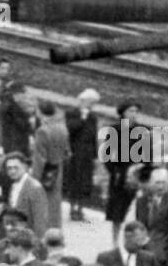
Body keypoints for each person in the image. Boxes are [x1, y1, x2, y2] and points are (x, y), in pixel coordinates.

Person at [103, 98, 141, 243]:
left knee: (134, 210)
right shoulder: (115, 130)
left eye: (136, 111)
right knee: (117, 212)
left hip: (136, 173)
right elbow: (107, 155)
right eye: (131, 110)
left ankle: (132, 239)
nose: (134, 113)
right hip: (120, 173)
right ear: (123, 112)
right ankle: (115, 241)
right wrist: (114, 171)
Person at [64, 89, 100, 222]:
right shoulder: (72, 113)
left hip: (88, 153)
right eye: (91, 102)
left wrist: (95, 156)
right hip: (75, 152)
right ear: (83, 100)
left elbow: (94, 136)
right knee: (75, 181)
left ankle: (80, 209)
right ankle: (72, 208)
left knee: (85, 182)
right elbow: (71, 129)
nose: (91, 106)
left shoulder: (93, 117)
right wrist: (82, 118)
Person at [33, 99, 67, 230]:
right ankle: (55, 230)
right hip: (58, 170)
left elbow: (40, 158)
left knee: (42, 205)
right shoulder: (62, 128)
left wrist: (34, 179)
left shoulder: (42, 131)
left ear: (40, 113)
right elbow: (67, 152)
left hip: (45, 172)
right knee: (55, 205)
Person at [3, 151, 50, 238]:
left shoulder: (35, 188)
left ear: (24, 167)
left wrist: (37, 246)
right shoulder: (13, 185)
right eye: (9, 168)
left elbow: (40, 221)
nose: (12, 171)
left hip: (29, 241)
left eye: (16, 168)